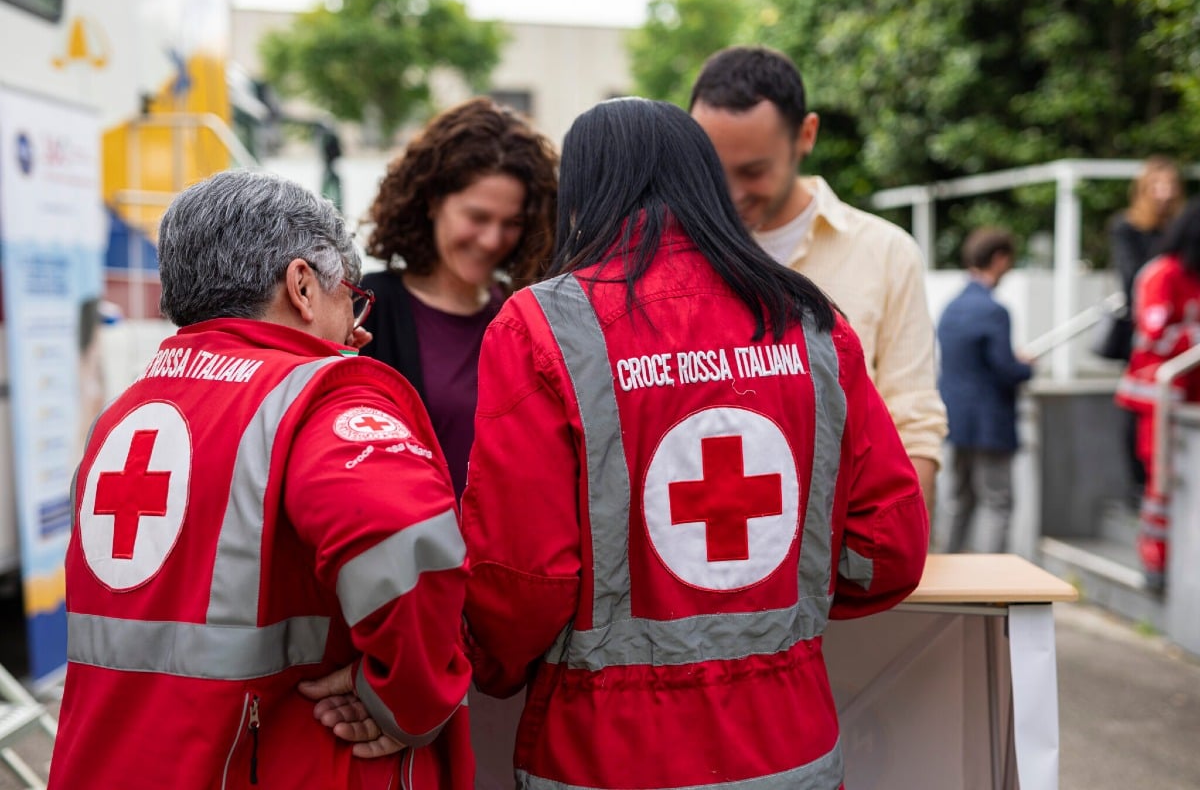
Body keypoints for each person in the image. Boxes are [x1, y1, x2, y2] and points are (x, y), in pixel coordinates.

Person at [459, 98, 928, 789]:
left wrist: (488, 667)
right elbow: (888, 548)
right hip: (792, 750)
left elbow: (525, 580)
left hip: (607, 755)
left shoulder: (543, 327)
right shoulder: (811, 323)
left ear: (584, 195)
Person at [49, 170, 473, 789]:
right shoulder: (317, 396)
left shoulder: (124, 414)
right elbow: (409, 548)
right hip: (269, 762)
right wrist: (408, 701)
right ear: (301, 285)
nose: (359, 331)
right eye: (349, 298)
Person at [688, 46, 946, 518]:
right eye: (712, 169)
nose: (731, 194)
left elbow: (914, 418)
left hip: (848, 544)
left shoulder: (886, 253)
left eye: (754, 171)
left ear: (806, 135)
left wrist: (905, 555)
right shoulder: (674, 258)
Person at [360, 97, 558, 498]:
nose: (492, 240)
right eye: (478, 217)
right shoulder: (367, 309)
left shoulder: (526, 317)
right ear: (431, 202)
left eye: (512, 223)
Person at [1115, 198, 1200, 593]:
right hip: (1157, 402)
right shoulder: (1161, 274)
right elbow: (1154, 336)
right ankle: (1154, 560)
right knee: (1159, 487)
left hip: (1185, 400)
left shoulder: (1192, 275)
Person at [936, 228, 1033, 553]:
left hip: (957, 422)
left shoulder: (951, 307)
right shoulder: (994, 310)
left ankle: (948, 570)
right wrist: (1027, 366)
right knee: (998, 503)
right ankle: (995, 584)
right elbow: (1006, 369)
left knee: (960, 500)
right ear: (999, 259)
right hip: (990, 424)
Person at [1107, 157, 1184, 499]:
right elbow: (1132, 278)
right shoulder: (1127, 226)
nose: (1164, 193)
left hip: (1175, 337)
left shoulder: (1180, 227)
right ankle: (1137, 483)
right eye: (1157, 185)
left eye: (1169, 185)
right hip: (1141, 338)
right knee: (1137, 409)